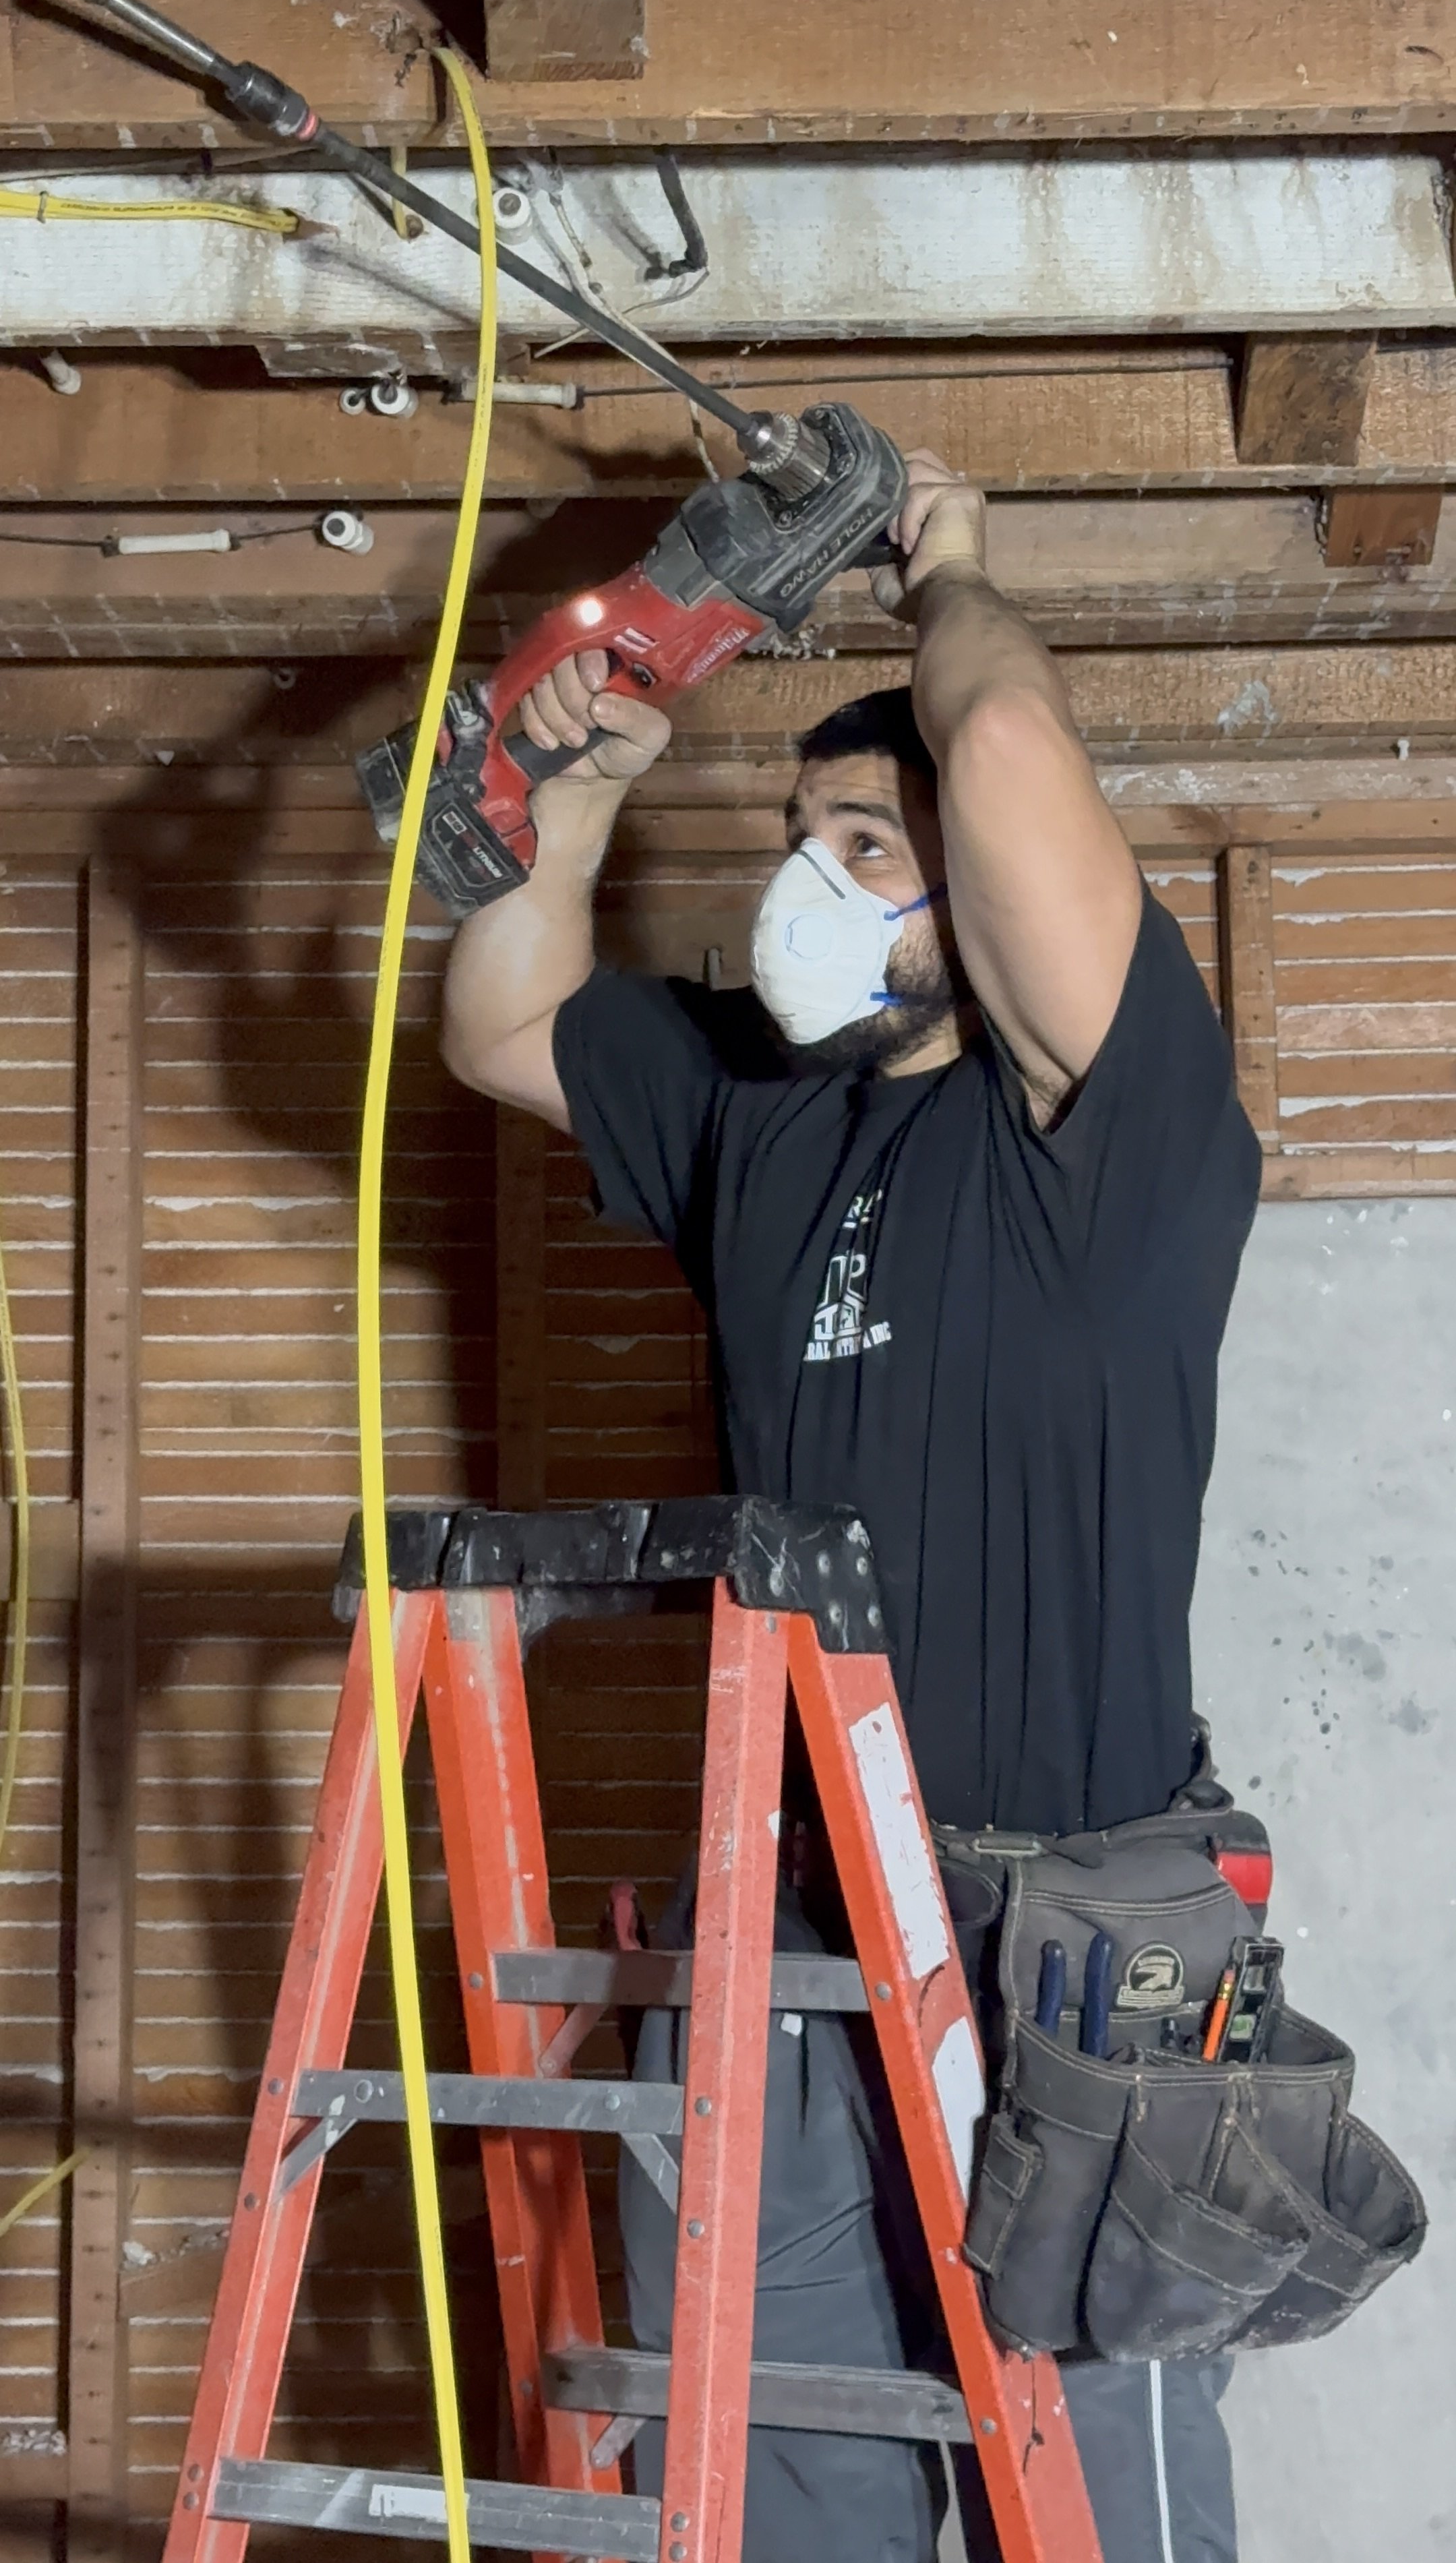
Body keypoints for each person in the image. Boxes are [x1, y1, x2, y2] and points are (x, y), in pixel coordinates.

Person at [442, 451, 1262, 2563]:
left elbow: (992, 736)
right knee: (795, 2446)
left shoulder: (1113, 1124)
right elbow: (504, 1018)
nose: (805, 883)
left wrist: (954, 565)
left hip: (1082, 1937)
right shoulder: (762, 1125)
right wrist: (595, 784)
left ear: (978, 900)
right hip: (812, 1919)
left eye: (861, 844)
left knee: (1096, 2475)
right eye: (797, 839)